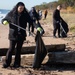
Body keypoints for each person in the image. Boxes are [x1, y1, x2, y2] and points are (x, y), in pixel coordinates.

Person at [2, 2, 33, 68]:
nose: (21, 9)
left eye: (22, 8)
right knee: (11, 49)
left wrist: (38, 26)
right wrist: (4, 22)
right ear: (17, 7)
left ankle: (17, 64)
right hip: (13, 35)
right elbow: (4, 19)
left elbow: (31, 21)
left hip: (21, 35)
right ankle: (6, 63)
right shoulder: (11, 13)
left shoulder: (25, 14)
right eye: (20, 8)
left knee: (18, 50)